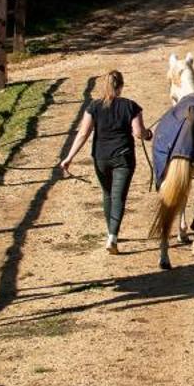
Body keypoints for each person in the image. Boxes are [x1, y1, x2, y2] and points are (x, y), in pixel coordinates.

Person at [58, 70, 150, 253]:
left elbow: (83, 133)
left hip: (101, 158)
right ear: (121, 86)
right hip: (123, 157)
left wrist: (69, 157)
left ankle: (110, 233)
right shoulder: (131, 106)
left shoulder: (94, 106)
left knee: (107, 194)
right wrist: (148, 134)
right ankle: (113, 237)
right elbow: (139, 133)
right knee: (119, 197)